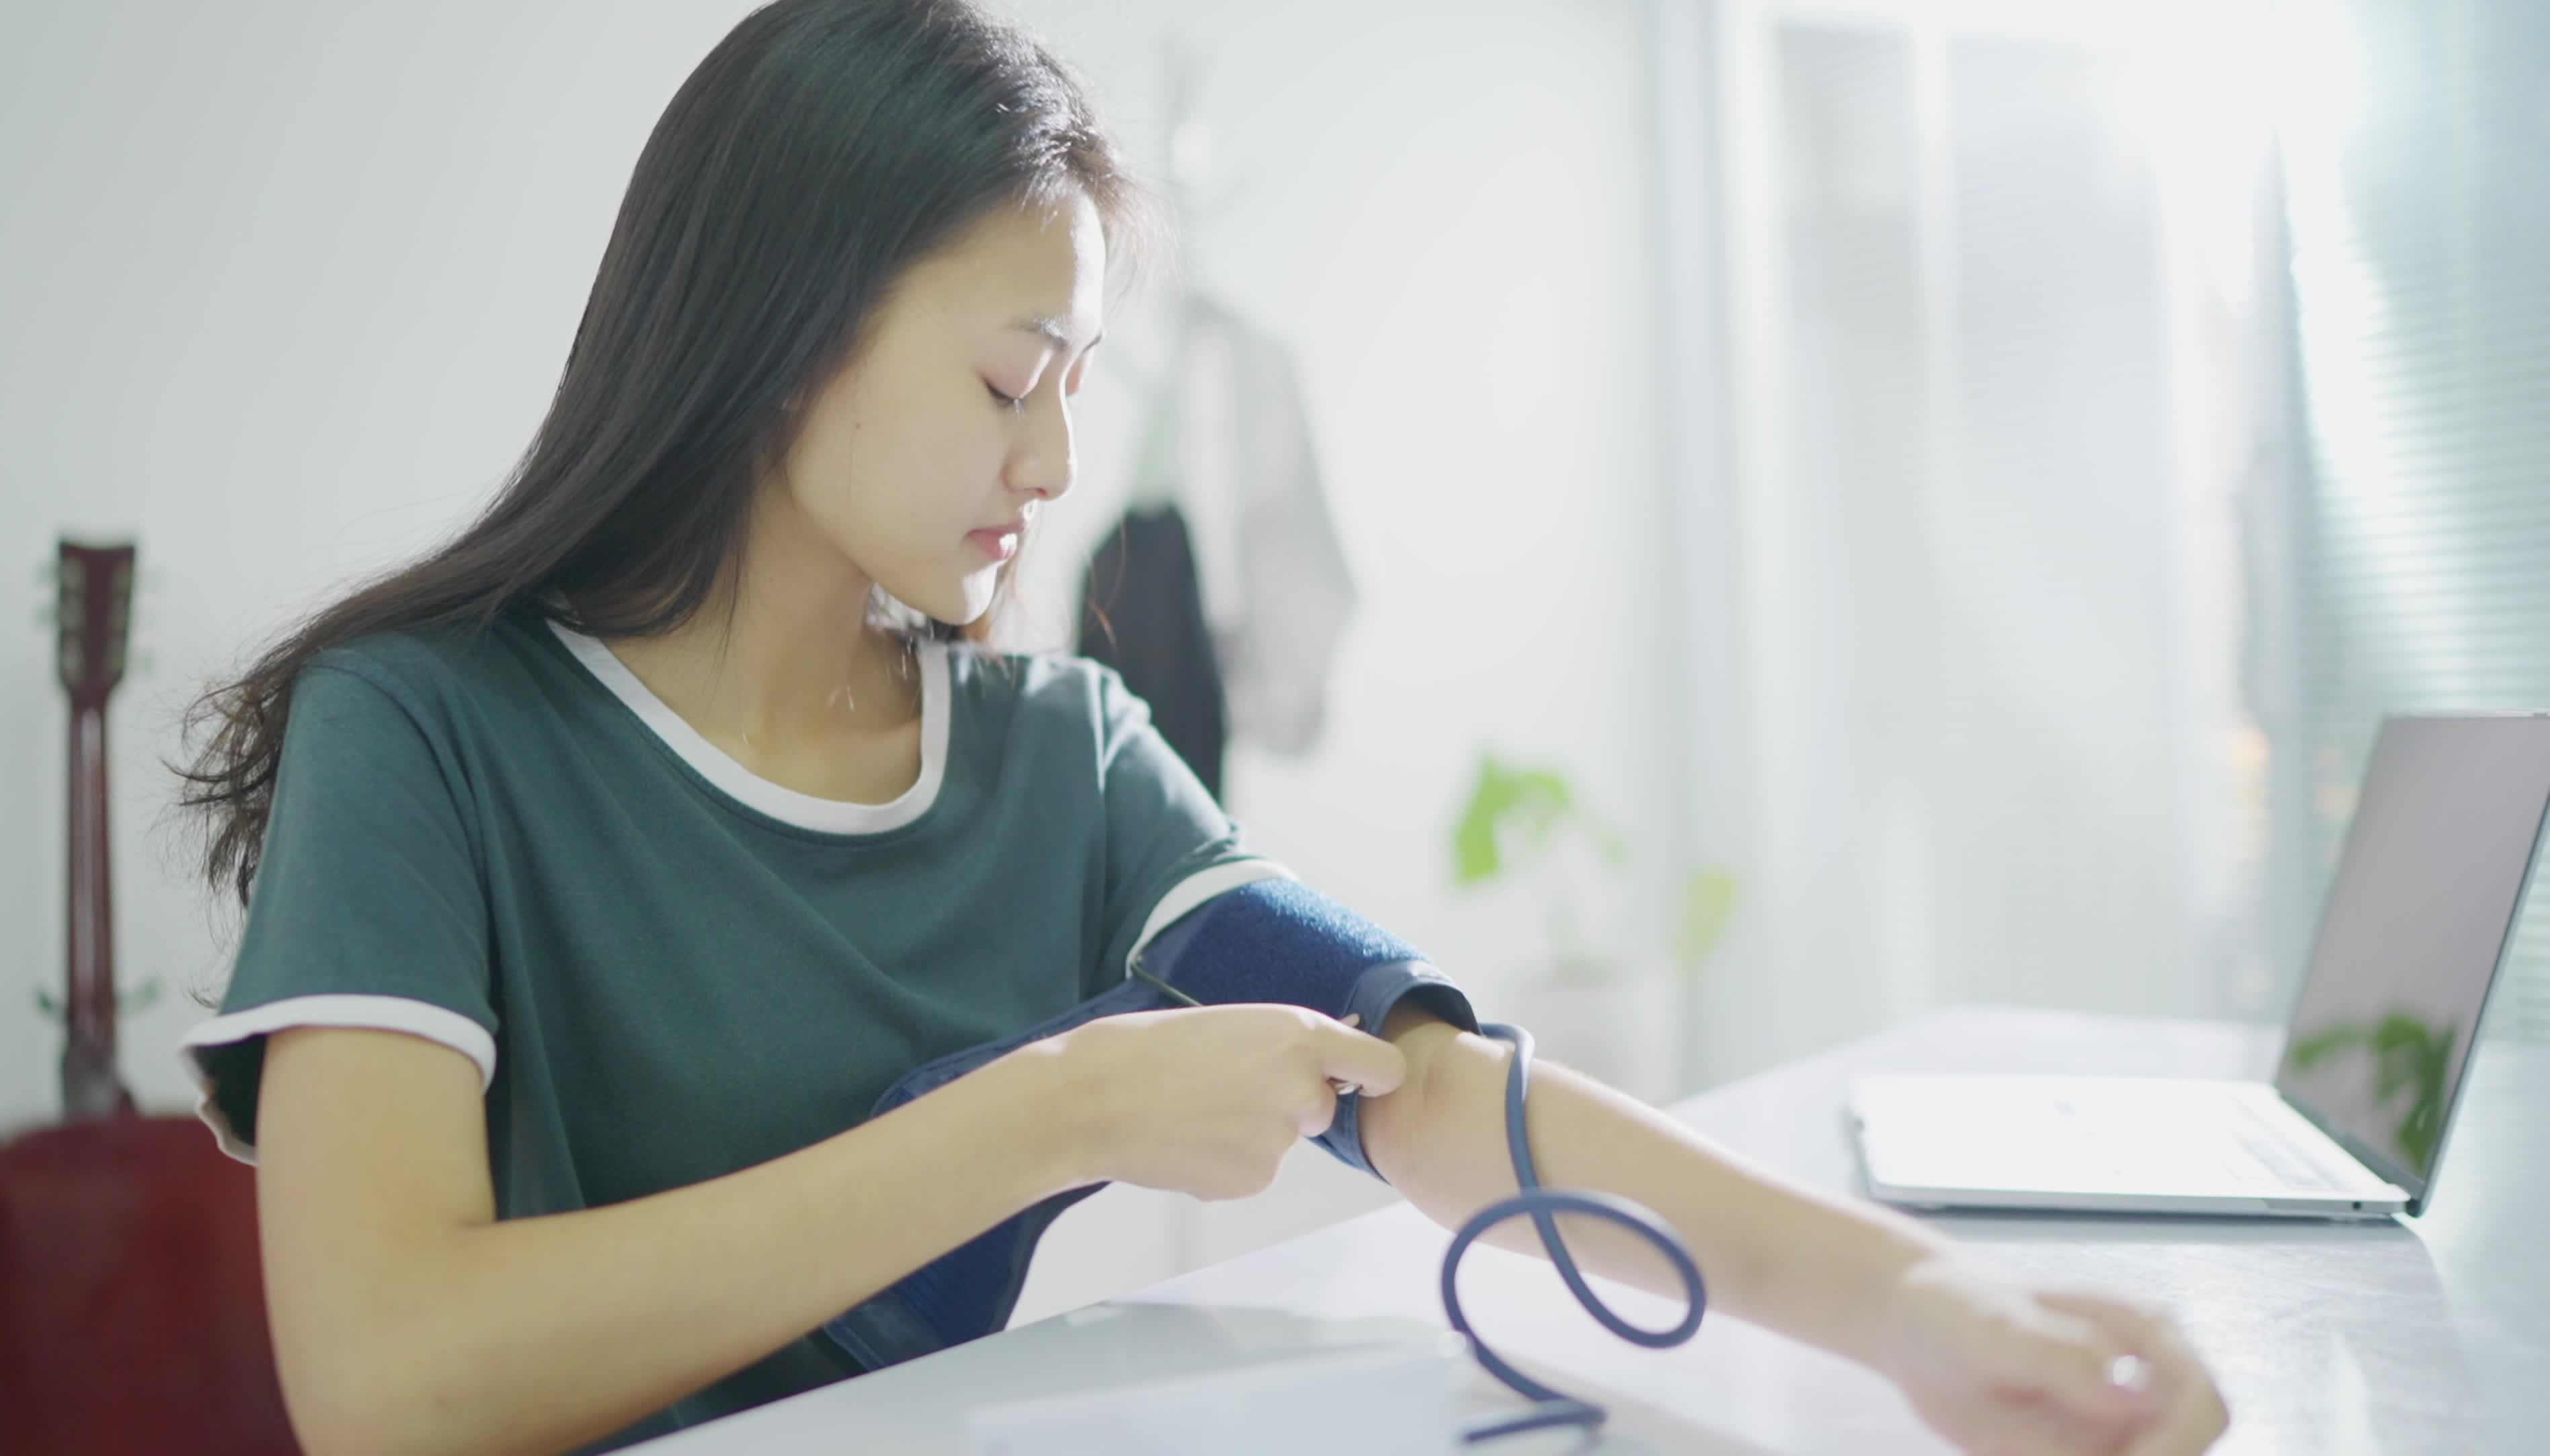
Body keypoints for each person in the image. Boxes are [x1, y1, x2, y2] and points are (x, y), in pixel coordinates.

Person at [172, 3, 2230, 1453]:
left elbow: (1426, 1091)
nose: (1057, 458)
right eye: (1011, 377)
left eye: (1080, 379)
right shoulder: (424, 735)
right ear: (781, 333)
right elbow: (390, 1386)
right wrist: (1052, 1110)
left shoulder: (1054, 758)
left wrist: (1914, 1308)